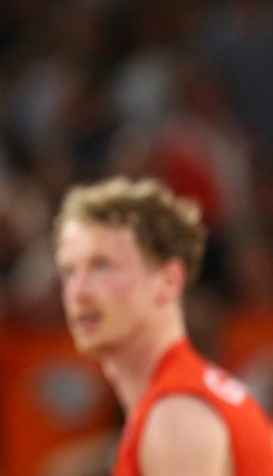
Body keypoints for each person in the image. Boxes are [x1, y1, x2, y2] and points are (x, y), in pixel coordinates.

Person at [53, 176, 273, 476]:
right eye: (68, 271)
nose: (78, 291)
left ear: (168, 281)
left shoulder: (177, 416)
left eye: (102, 265)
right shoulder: (192, 395)